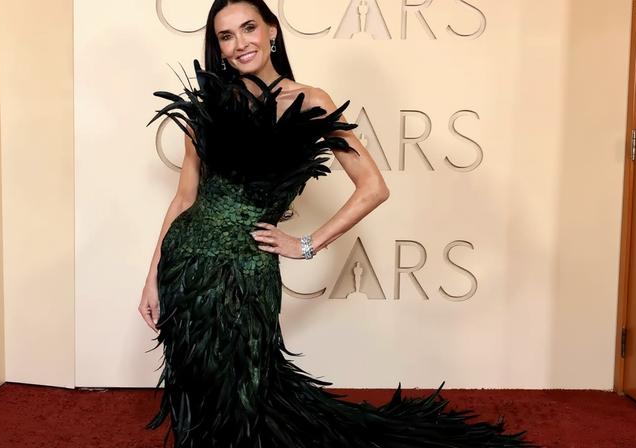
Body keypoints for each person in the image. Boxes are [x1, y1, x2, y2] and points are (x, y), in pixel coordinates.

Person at [139, 1, 536, 446]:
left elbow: (373, 187)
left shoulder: (310, 101)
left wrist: (307, 244)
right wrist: (152, 277)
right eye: (226, 36)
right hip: (186, 263)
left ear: (272, 31)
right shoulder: (211, 103)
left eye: (249, 28)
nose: (239, 43)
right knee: (196, 383)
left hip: (246, 270)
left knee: (249, 386)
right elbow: (184, 197)